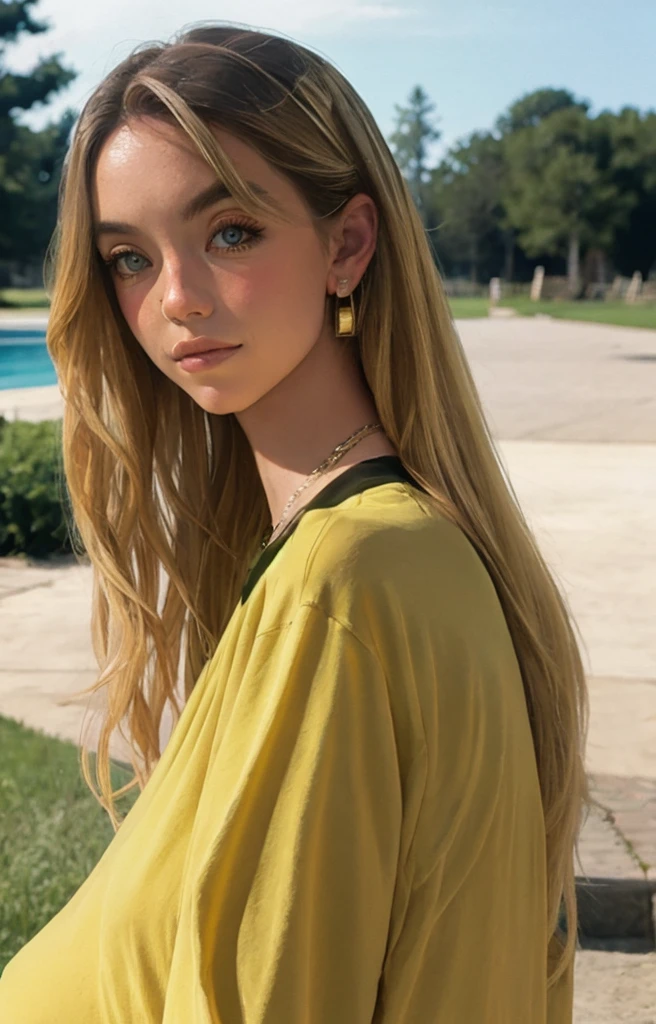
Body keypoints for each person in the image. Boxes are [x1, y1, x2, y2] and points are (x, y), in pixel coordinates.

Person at [0, 22, 589, 1023]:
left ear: (346, 244)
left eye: (229, 232)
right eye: (130, 259)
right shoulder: (370, 552)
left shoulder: (346, 579)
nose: (176, 300)